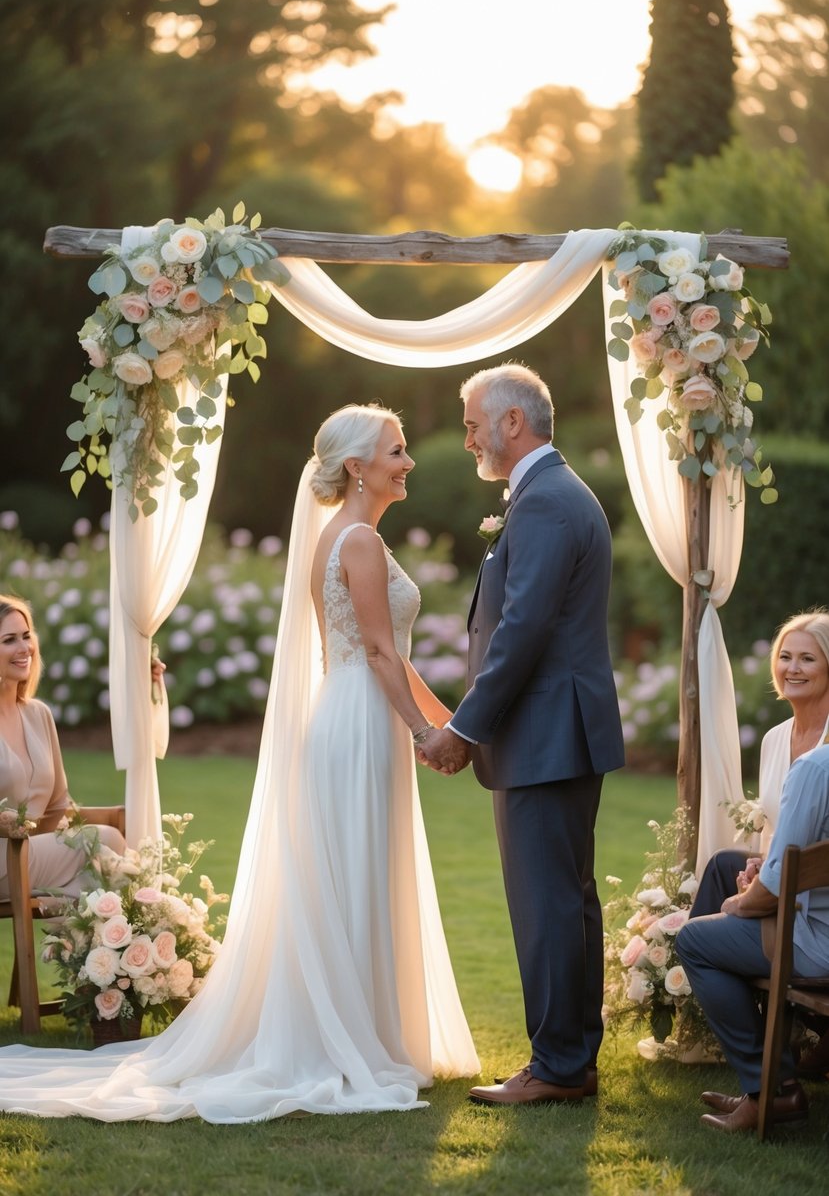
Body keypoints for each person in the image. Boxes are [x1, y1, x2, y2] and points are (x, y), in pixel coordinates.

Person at [0, 404, 478, 1121]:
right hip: (359, 721)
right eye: (396, 450)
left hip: (352, 714)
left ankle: (364, 1032)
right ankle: (350, 1041)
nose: (407, 462)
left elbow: (386, 655)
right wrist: (424, 734)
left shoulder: (339, 539)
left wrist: (453, 723)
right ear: (356, 466)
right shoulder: (358, 544)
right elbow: (380, 653)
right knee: (356, 871)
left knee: (358, 873)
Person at [417, 363, 625, 1106]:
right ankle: (570, 1058)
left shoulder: (543, 503)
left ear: (513, 422)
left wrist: (463, 728)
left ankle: (558, 1066)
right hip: (557, 732)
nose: (468, 436)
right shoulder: (550, 494)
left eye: (474, 422)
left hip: (545, 735)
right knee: (565, 903)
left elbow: (522, 629)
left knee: (547, 908)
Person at [676, 743, 829, 1133]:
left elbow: (776, 884)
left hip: (818, 943)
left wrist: (738, 903)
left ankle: (772, 1091)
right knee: (725, 866)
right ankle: (770, 1081)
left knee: (695, 940)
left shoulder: (816, 768)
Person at [690, 611, 829, 919]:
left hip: (817, 893)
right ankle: (685, 961)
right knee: (722, 864)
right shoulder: (774, 739)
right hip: (784, 872)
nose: (792, 668)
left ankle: (701, 948)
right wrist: (762, 863)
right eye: (785, 657)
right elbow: (781, 831)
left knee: (702, 934)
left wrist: (766, 884)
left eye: (807, 659)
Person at [0, 594, 126, 901]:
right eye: (9, 640)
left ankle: (86, 946)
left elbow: (58, 806)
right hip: (3, 861)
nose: (24, 648)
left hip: (35, 854)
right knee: (105, 845)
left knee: (101, 874)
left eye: (26, 636)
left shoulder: (38, 714)